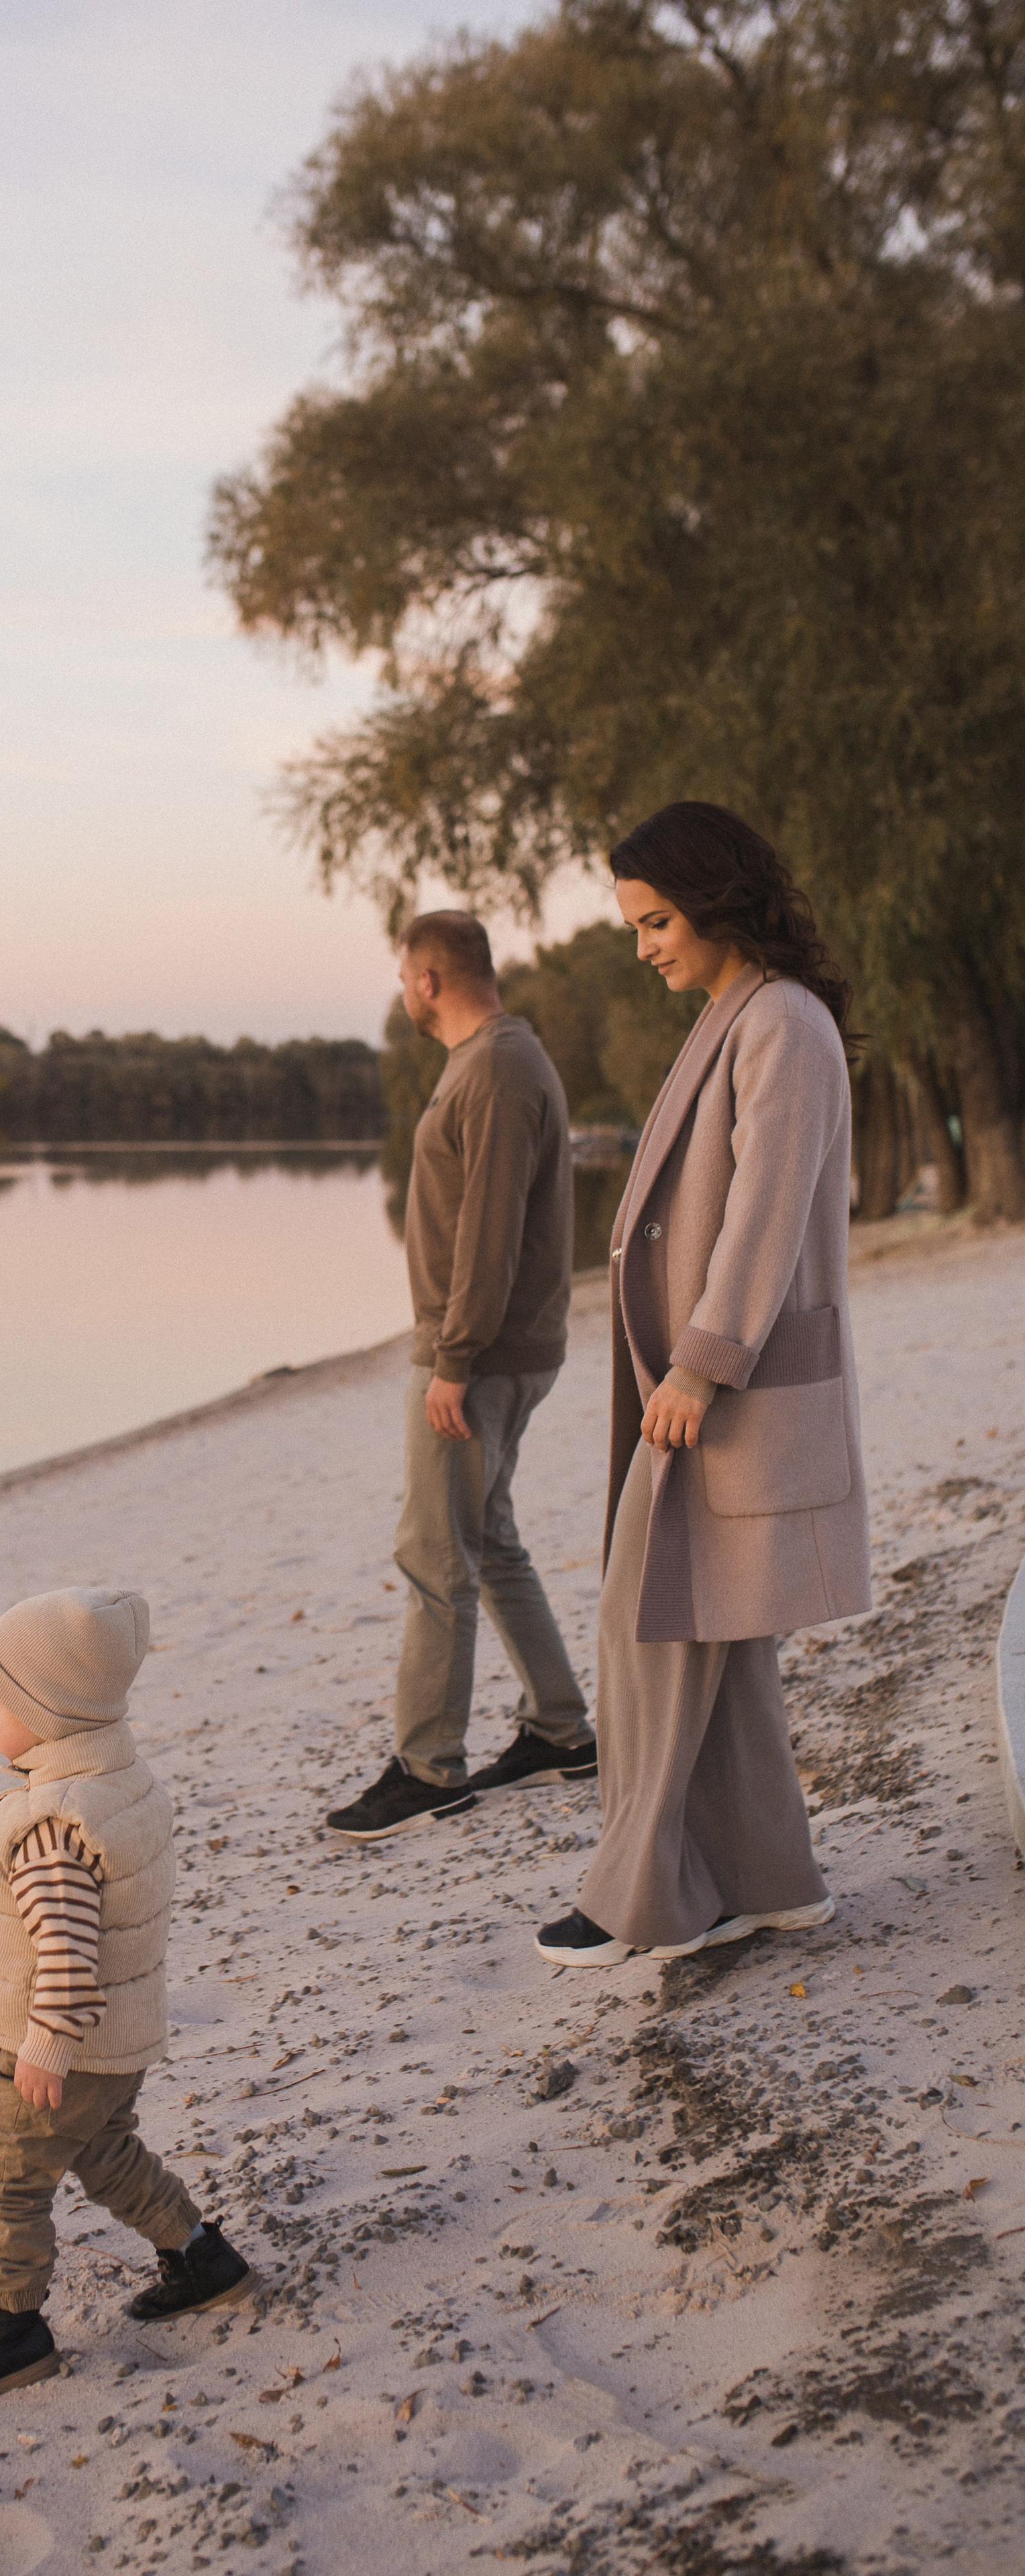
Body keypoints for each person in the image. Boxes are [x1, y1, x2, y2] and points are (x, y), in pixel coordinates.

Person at [537, 802, 870, 1968]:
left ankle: (643, 1897)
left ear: (718, 898)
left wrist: (703, 1360)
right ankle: (772, 1883)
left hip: (726, 1393)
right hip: (701, 1391)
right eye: (635, 925)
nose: (645, 947)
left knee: (655, 1634)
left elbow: (763, 1215)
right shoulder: (743, 1013)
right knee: (717, 1645)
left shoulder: (782, 1022)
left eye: (658, 920)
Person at [0, 1585, 254, 2410]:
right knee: (103, 2155)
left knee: (12, 2183)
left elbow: (67, 1952)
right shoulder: (119, 1780)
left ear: (50, 1711)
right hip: (121, 2044)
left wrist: (43, 2046)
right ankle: (200, 2255)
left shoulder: (52, 1826)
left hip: (62, 2046)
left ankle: (13, 2327)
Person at [327, 911, 594, 1844]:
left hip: (478, 1355)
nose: (404, 994)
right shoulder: (494, 1060)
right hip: (497, 1349)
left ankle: (427, 1767)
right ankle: (560, 1730)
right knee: (491, 1538)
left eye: (406, 978)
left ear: (429, 979)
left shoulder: (496, 1067)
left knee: (436, 1555)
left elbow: (488, 1231)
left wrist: (453, 1360)